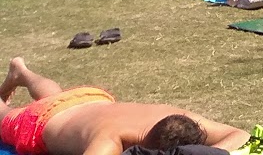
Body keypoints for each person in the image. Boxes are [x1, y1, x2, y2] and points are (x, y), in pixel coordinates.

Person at [0, 57, 249, 155]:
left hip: (91, 98)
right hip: (38, 121)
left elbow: (240, 134)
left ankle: (22, 71)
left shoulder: (179, 119)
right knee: (5, 114)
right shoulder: (109, 141)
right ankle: (20, 73)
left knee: (52, 96)